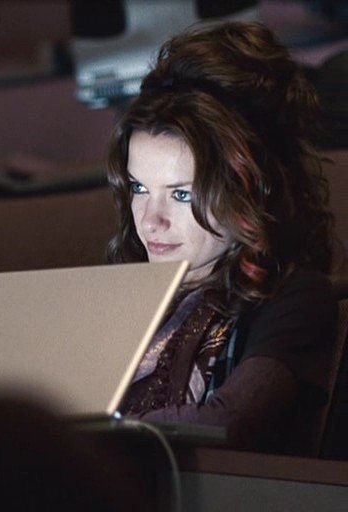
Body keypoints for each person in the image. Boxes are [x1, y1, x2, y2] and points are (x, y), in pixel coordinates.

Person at [107, 21, 338, 453]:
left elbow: (229, 422)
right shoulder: (119, 293)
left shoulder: (294, 297)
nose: (151, 221)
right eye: (139, 188)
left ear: (248, 189)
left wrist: (84, 435)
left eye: (181, 194)